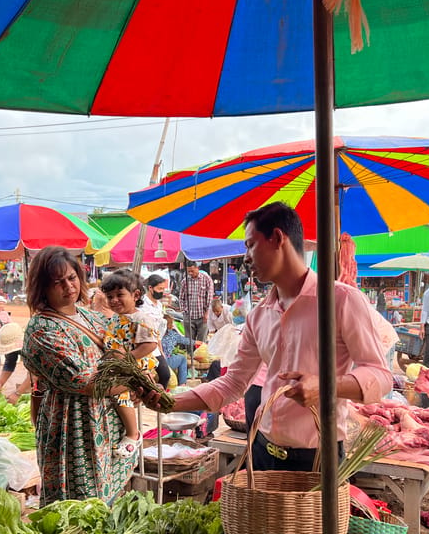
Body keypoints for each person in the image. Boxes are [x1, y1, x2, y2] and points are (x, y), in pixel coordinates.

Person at [171, 201, 392, 473]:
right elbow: (233, 383)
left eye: (251, 245)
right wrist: (170, 402)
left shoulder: (341, 301)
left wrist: (326, 386)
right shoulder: (259, 316)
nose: (246, 258)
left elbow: (381, 377)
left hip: (316, 459)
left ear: (277, 238)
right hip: (262, 451)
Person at [21, 246, 136, 505]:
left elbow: (122, 349)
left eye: (72, 278)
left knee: (107, 502)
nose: (68, 286)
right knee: (77, 506)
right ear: (43, 287)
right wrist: (134, 380)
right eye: (58, 282)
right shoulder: (42, 330)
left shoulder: (90, 316)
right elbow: (86, 382)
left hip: (107, 426)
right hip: (72, 429)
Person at [101, 269, 159, 458]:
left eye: (120, 295)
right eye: (110, 296)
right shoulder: (115, 318)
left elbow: (150, 344)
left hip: (134, 366)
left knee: (121, 393)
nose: (114, 300)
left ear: (135, 295)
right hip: (119, 364)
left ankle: (133, 434)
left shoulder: (141, 318)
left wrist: (127, 359)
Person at [178, 260, 214, 366]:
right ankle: (190, 363)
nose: (190, 273)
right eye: (188, 271)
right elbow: (181, 298)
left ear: (197, 268)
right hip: (189, 315)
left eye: (192, 271)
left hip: (202, 316)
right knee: (189, 340)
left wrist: (207, 313)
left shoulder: (207, 279)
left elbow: (210, 298)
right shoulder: (185, 281)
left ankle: (200, 363)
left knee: (201, 341)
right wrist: (184, 310)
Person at [141, 273, 171, 388]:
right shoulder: (142, 304)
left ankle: (158, 400)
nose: (161, 292)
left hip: (155, 345)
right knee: (145, 377)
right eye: (159, 289)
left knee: (165, 374)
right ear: (150, 288)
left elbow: (158, 330)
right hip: (143, 345)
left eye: (163, 289)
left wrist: (160, 348)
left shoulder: (159, 305)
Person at [161, 310, 193, 386]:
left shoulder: (157, 332)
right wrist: (197, 342)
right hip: (165, 362)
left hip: (158, 360)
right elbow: (185, 341)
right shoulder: (172, 334)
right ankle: (182, 383)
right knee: (182, 359)